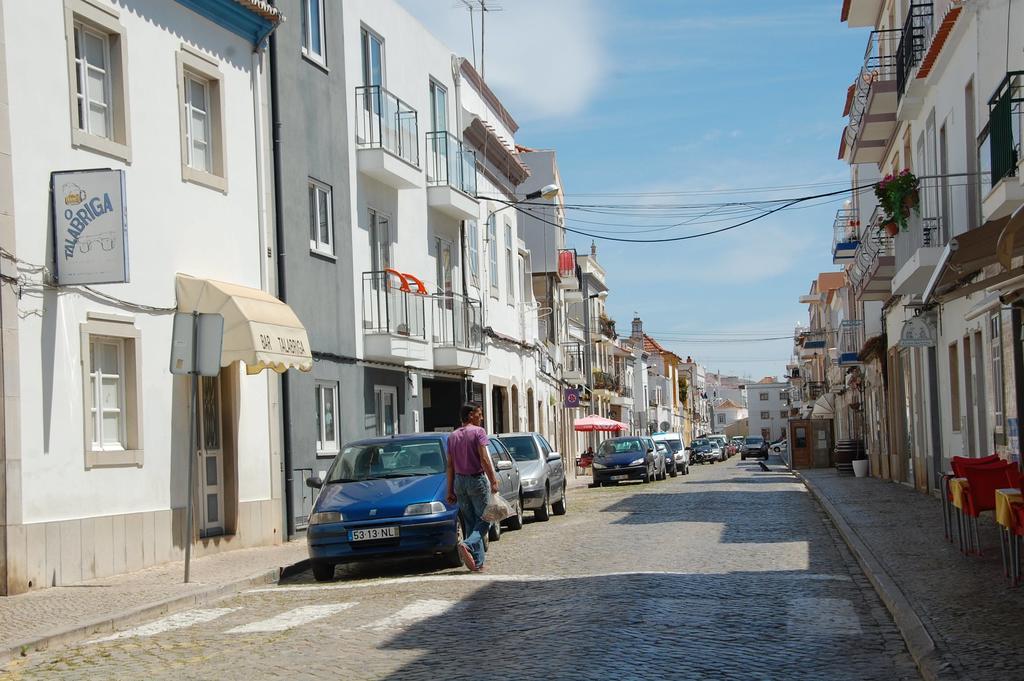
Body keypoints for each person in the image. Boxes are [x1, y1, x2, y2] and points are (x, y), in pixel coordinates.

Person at [445, 403, 499, 572]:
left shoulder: (452, 436)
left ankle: (477, 562)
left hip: (460, 482)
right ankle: (467, 544)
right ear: (470, 415)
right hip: (476, 480)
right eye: (479, 414)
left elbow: (450, 465)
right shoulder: (478, 432)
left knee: (470, 522)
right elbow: (484, 458)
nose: (481, 418)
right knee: (486, 519)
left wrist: (449, 489)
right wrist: (493, 480)